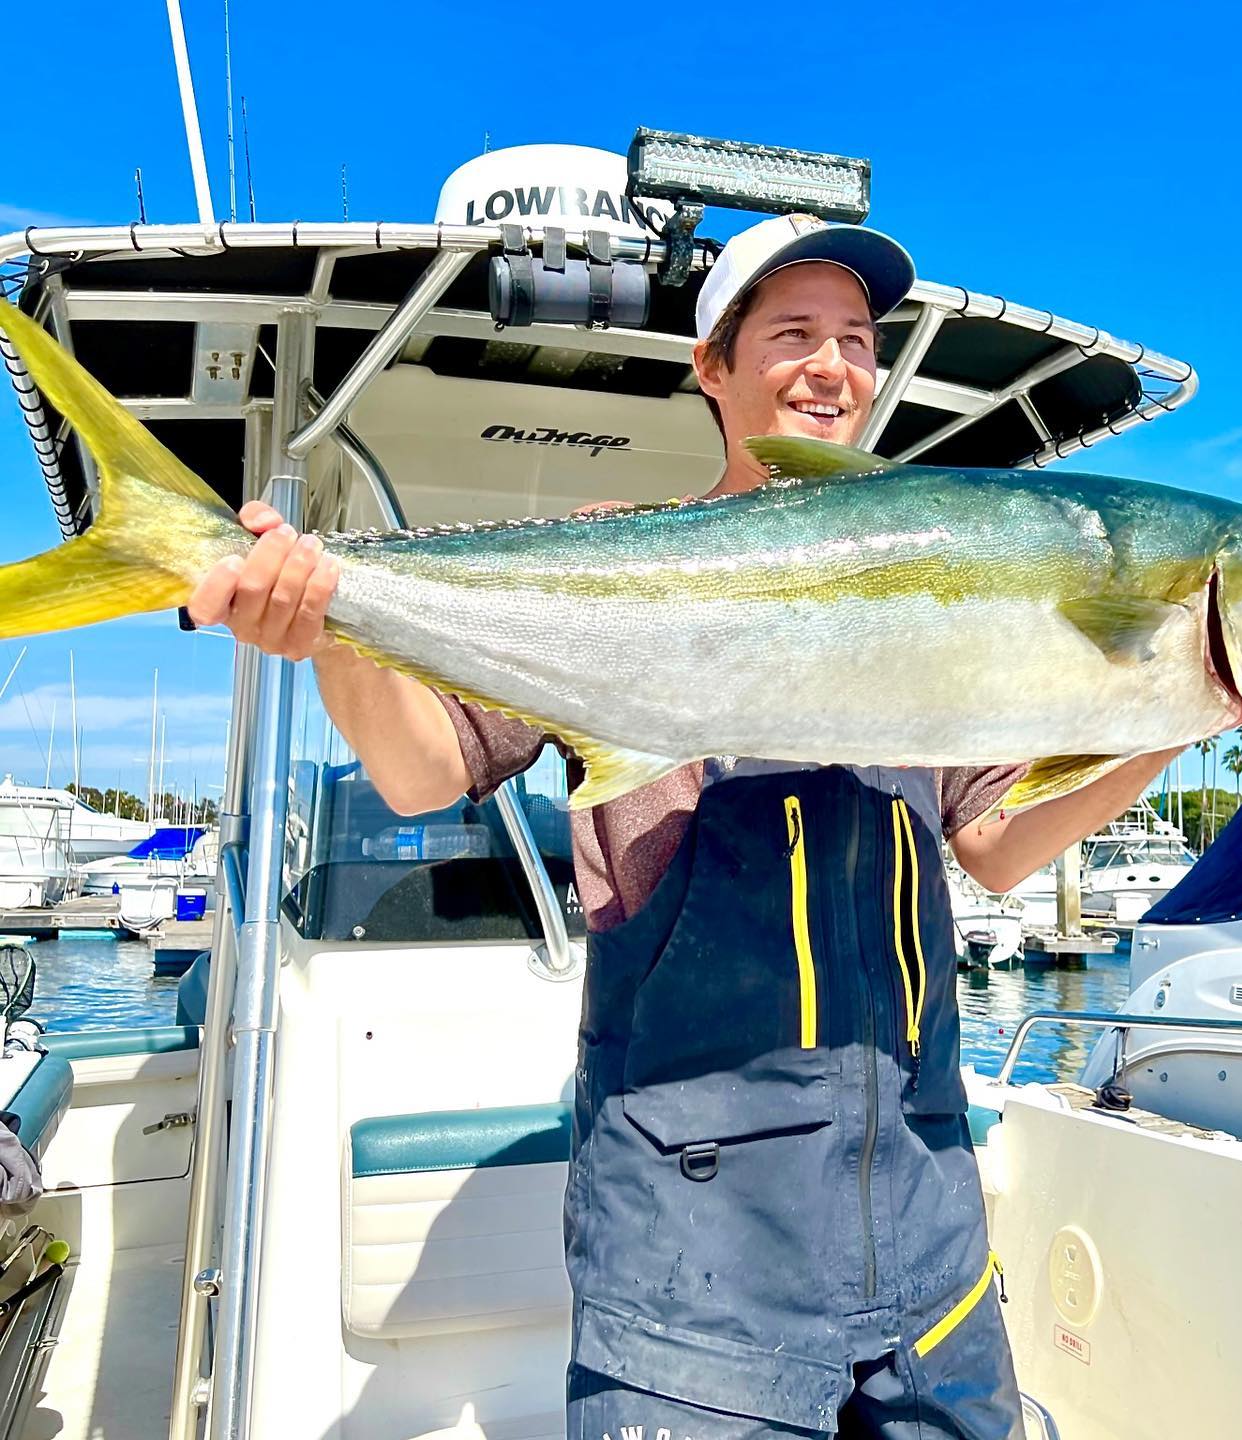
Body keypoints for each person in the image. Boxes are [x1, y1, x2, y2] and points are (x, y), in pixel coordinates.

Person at [189, 213, 1183, 1440]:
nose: (833, 364)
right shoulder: (619, 560)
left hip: (928, 1244)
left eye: (858, 340)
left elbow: (995, 848)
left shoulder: (940, 589)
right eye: (794, 333)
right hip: (689, 1266)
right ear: (711, 363)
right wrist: (333, 626)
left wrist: (1175, 712)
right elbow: (419, 770)